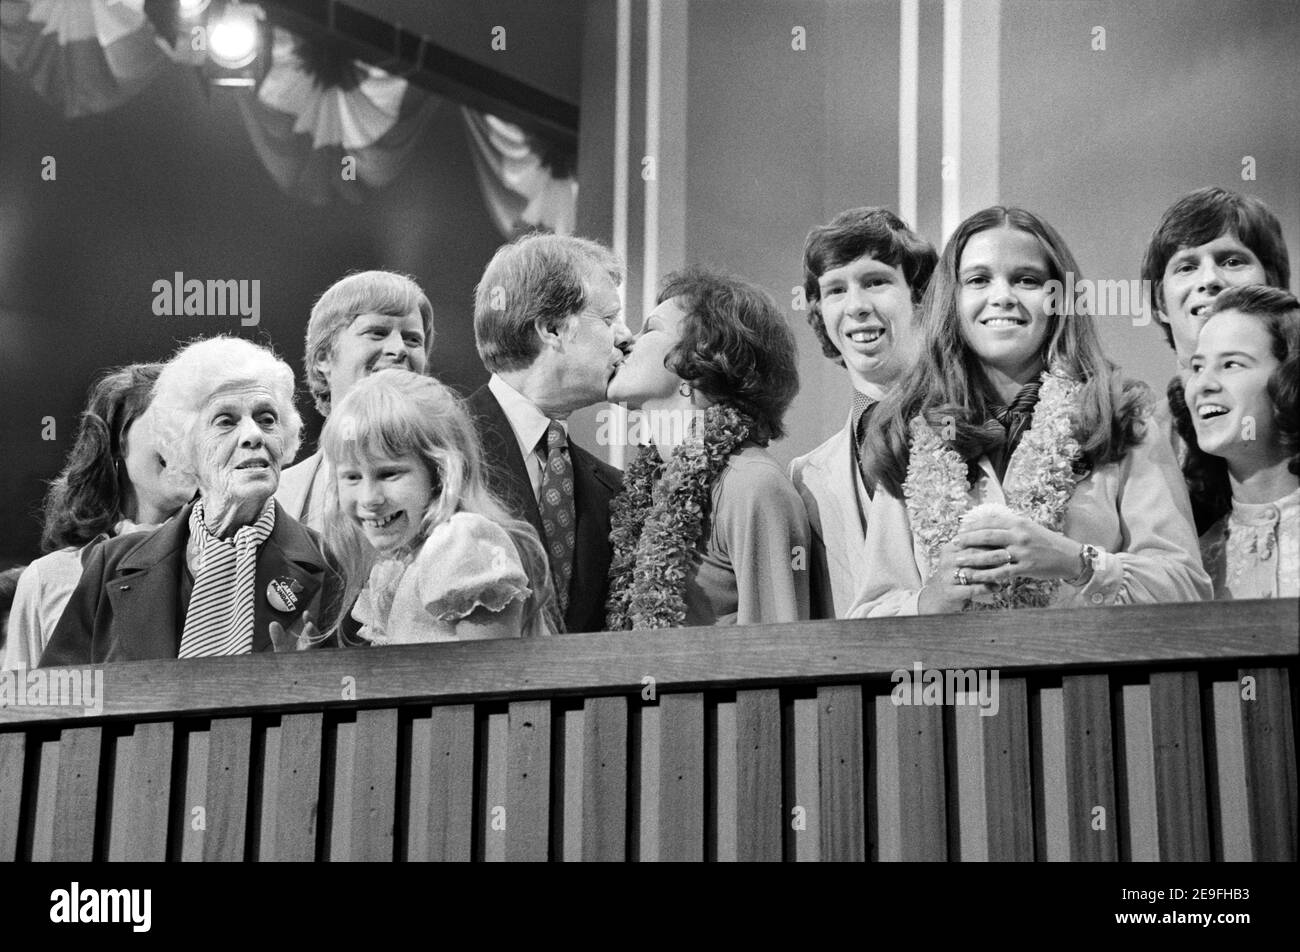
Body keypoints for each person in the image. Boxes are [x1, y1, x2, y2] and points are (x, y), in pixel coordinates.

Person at [851, 206, 1210, 617]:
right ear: (952, 300)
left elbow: (1187, 589)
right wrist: (932, 599)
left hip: (1086, 678)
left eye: (1026, 280)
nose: (1002, 297)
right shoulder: (911, 432)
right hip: (961, 680)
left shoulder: (1119, 418)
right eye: (979, 280)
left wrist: (1075, 563)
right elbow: (867, 615)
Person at [40, 337, 340, 664]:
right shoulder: (109, 565)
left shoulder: (332, 565)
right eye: (226, 420)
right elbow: (60, 700)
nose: (254, 435)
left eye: (267, 418)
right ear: (185, 447)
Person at [605, 267, 810, 628]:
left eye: (650, 329)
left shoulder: (753, 484)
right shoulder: (649, 490)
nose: (626, 342)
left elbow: (778, 658)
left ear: (698, 362)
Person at [467, 233, 630, 633]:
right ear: (552, 328)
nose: (625, 337)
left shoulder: (615, 489)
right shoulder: (438, 449)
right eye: (608, 320)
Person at [318, 369, 554, 644]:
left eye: (389, 474)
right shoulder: (399, 562)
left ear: (440, 472)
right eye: (352, 477)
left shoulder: (461, 541)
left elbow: (491, 679)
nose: (369, 498)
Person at [788, 207, 937, 617]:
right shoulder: (806, 476)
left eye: (875, 281)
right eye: (836, 290)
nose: (856, 306)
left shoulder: (976, 429)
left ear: (920, 296)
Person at [3, 364, 196, 670]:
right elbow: (20, 706)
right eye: (168, 424)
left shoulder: (221, 563)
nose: (186, 442)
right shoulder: (48, 580)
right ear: (119, 440)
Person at [1140, 187, 1291, 531]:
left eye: (1232, 261)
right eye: (1186, 267)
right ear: (1159, 303)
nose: (1210, 280)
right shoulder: (1140, 442)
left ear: (1273, 285)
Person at [276, 270, 435, 531]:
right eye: (377, 332)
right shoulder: (274, 498)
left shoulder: (452, 484)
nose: (399, 349)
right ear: (323, 358)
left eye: (412, 339)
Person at [1184, 286, 1299, 599]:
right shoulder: (1192, 563)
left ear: (1291, 379)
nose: (1203, 385)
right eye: (1197, 367)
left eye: (1231, 364)